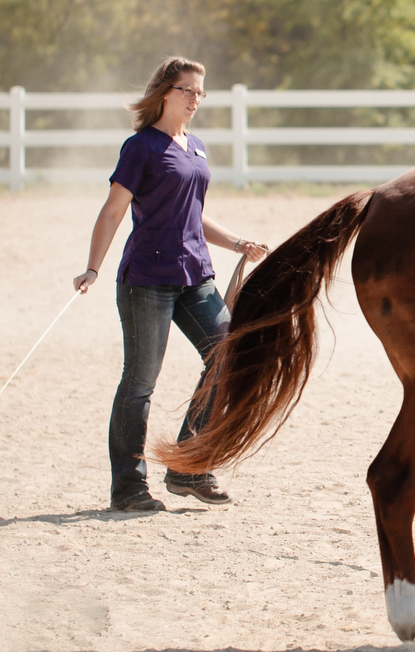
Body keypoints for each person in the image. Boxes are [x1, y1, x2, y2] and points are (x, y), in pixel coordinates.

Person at [72, 57, 268, 512]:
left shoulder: (195, 147)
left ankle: (187, 466)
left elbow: (193, 212)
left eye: (200, 92)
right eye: (187, 90)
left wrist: (237, 242)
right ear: (165, 93)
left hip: (195, 273)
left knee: (227, 355)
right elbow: (113, 210)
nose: (195, 99)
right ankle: (128, 487)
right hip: (147, 278)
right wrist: (92, 268)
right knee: (140, 382)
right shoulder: (140, 147)